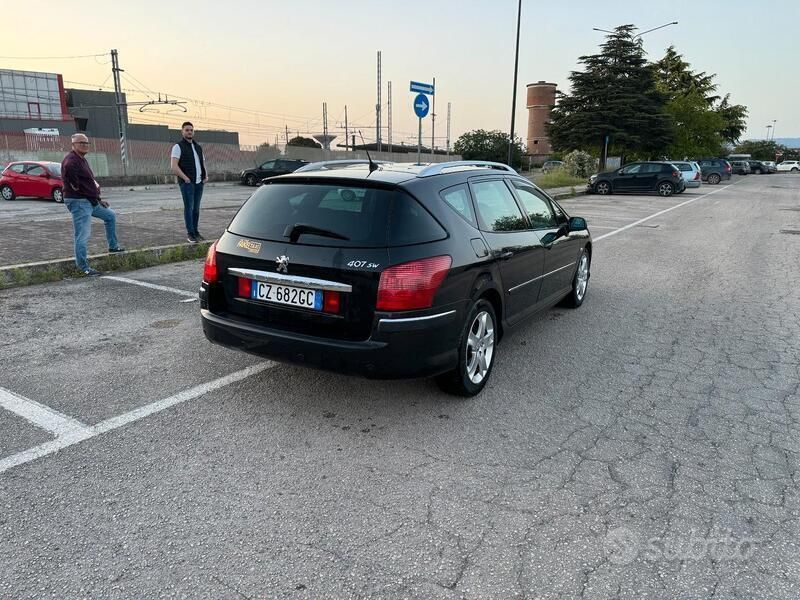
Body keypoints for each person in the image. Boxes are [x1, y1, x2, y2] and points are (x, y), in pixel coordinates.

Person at [61, 133, 124, 276]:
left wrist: (98, 199)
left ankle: (113, 247)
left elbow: (88, 183)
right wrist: (77, 188)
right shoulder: (71, 161)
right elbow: (75, 182)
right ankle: (83, 268)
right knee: (82, 234)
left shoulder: (81, 159)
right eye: (81, 143)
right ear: (73, 145)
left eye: (86, 143)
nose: (85, 145)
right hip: (79, 202)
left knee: (110, 216)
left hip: (90, 201)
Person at [170, 122, 208, 243]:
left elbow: (202, 163)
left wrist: (205, 175)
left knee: (196, 209)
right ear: (182, 132)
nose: (189, 132)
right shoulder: (178, 147)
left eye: (191, 130)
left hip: (199, 183)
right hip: (187, 183)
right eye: (187, 130)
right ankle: (190, 234)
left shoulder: (198, 147)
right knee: (189, 208)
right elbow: (174, 166)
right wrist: (185, 178)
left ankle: (196, 232)